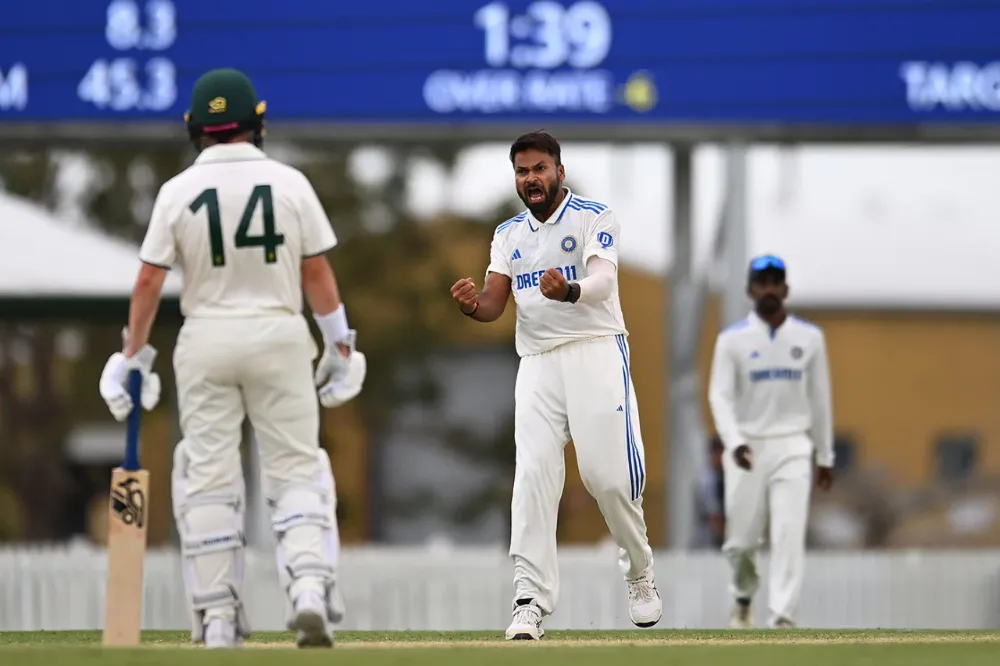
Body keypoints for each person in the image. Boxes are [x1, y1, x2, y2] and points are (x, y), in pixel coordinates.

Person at [98, 68, 366, 649]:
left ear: (196, 128)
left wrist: (132, 354)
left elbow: (148, 281)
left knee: (209, 477)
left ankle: (218, 617)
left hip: (206, 341)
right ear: (257, 123)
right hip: (278, 334)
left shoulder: (176, 191)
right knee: (296, 468)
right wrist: (339, 343)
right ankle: (310, 591)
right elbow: (315, 270)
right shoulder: (290, 184)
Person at [449, 131, 662, 640]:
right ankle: (529, 599)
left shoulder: (594, 216)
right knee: (534, 476)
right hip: (538, 362)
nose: (531, 179)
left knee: (606, 479)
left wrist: (569, 291)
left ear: (559, 171)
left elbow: (604, 282)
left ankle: (639, 570)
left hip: (595, 348)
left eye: (539, 169)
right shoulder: (508, 234)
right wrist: (470, 305)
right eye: (522, 172)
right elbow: (494, 304)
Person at [707, 254, 834, 629]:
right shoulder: (732, 341)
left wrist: (824, 456)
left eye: (775, 282)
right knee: (741, 542)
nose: (769, 289)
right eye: (762, 283)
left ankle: (782, 616)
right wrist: (733, 441)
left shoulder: (810, 339)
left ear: (786, 289)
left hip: (794, 444)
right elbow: (720, 396)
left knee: (788, 532)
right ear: (750, 290)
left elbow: (821, 398)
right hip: (746, 447)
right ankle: (743, 594)